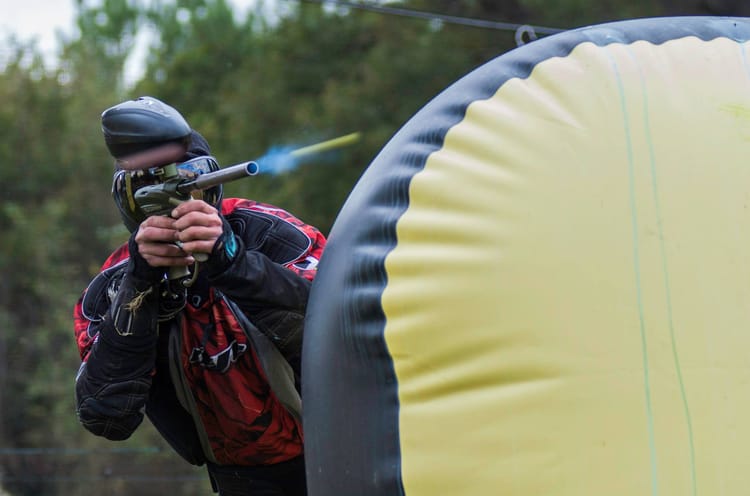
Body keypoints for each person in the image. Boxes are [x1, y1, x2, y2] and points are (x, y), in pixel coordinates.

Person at [73, 96, 326, 495]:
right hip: (239, 477)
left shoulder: (268, 233)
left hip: (339, 450)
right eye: (146, 188)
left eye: (188, 179)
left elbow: (345, 333)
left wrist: (232, 262)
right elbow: (106, 415)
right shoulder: (113, 284)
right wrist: (141, 288)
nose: (174, 204)